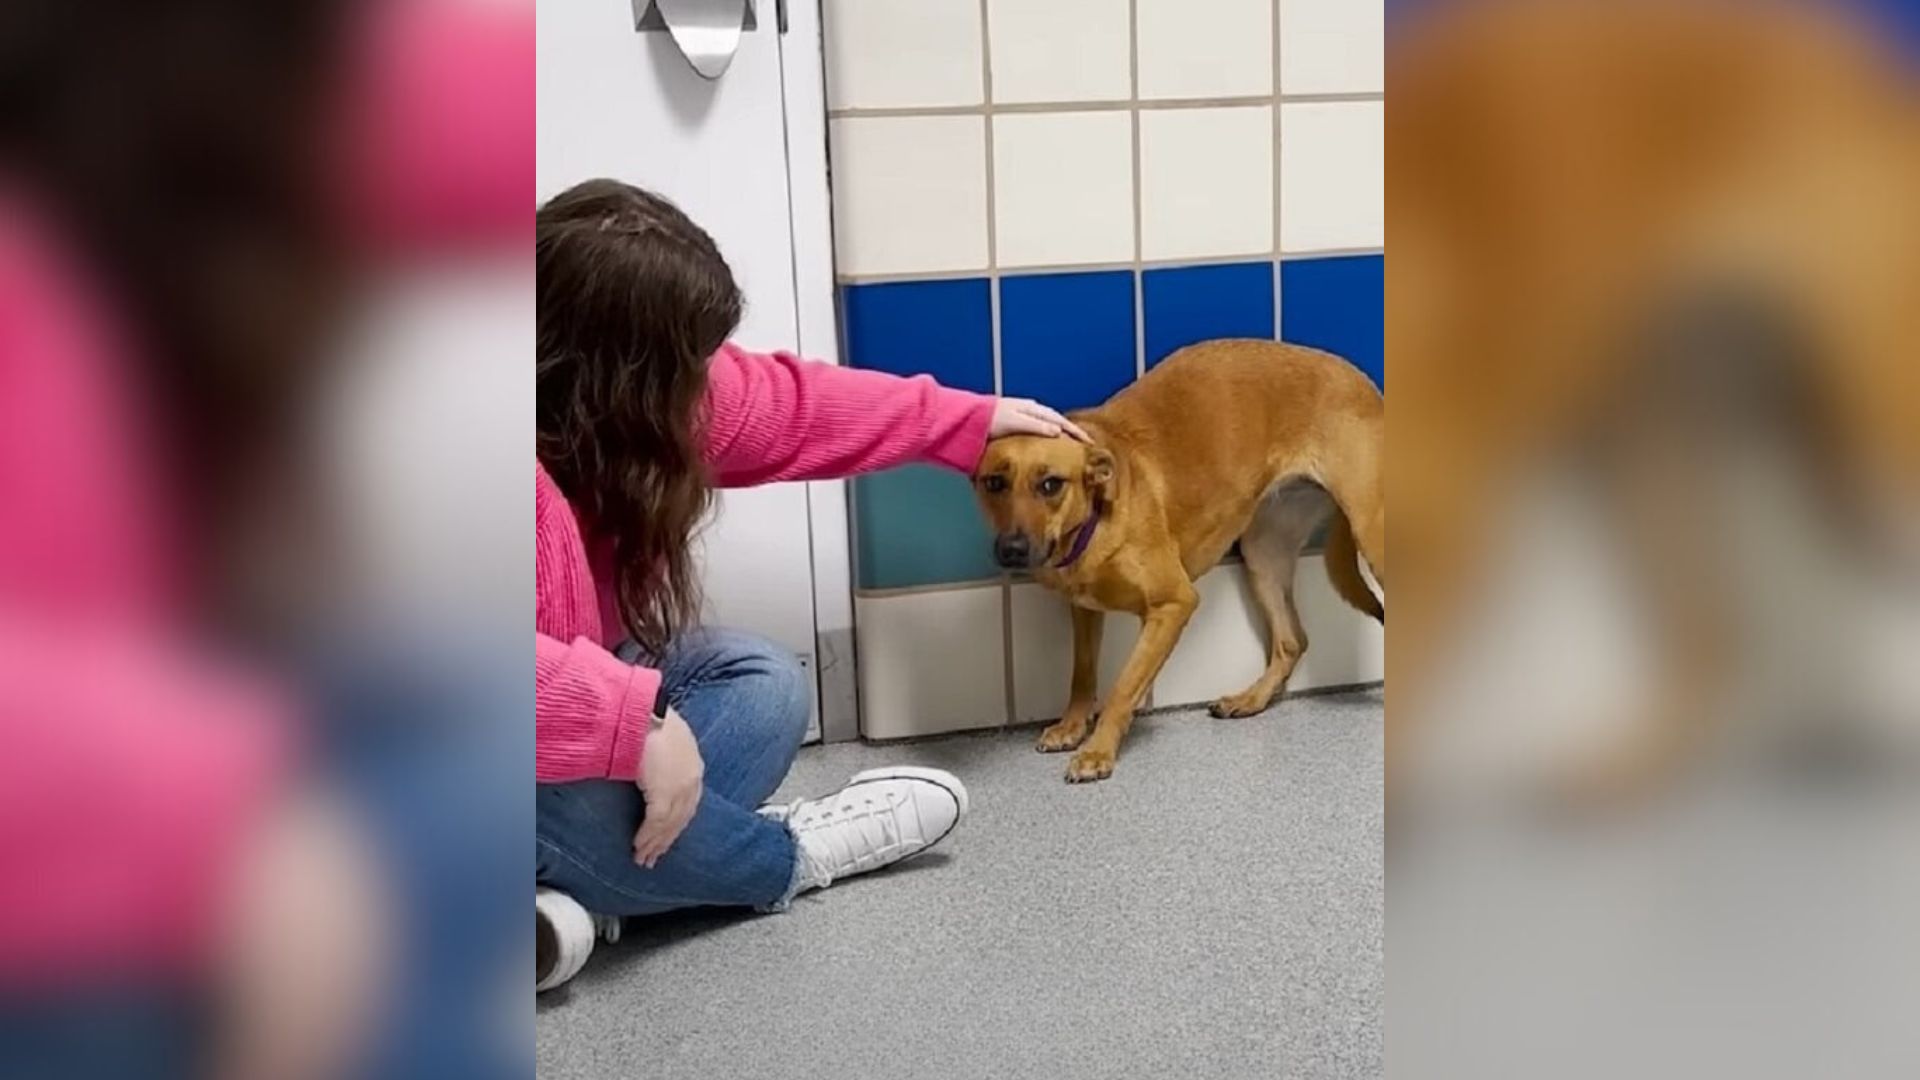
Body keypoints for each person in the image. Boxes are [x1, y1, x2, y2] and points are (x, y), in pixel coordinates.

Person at [534, 178, 1085, 991]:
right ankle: (788, 854)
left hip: (548, 713)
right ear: (616, 372)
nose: (708, 377)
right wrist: (632, 720)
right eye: (689, 360)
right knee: (568, 802)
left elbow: (790, 407)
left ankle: (571, 899)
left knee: (758, 681)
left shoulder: (623, 407)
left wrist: (968, 422)